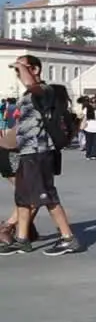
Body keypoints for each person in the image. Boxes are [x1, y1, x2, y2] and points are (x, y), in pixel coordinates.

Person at [0, 55, 80, 255]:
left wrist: (21, 66)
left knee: (47, 196)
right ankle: (22, 238)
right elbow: (20, 129)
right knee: (23, 198)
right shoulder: (27, 95)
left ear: (34, 70)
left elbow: (30, 82)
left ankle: (68, 237)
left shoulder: (44, 90)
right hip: (27, 152)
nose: (18, 74)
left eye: (21, 70)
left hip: (39, 151)